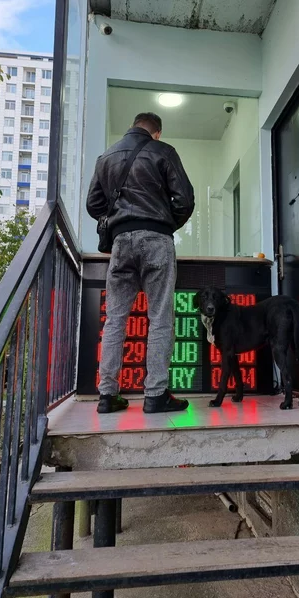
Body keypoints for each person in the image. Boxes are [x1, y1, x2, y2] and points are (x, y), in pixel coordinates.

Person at [86, 112, 195, 414]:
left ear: (132, 126)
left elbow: (94, 205)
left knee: (115, 319)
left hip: (120, 242)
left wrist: (120, 219)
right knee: (160, 317)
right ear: (156, 133)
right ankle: (156, 395)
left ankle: (107, 395)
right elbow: (185, 200)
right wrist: (164, 223)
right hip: (157, 240)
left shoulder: (106, 157)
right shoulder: (163, 151)